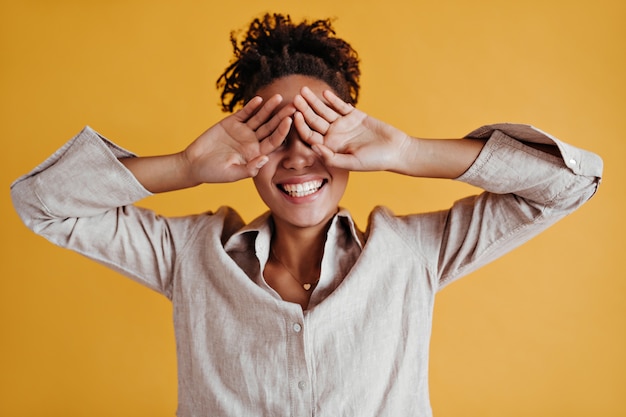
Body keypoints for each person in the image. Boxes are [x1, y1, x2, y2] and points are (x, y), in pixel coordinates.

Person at [11, 12, 602, 417]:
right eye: (274, 133)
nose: (297, 156)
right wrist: (186, 167)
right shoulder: (191, 257)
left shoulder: (411, 255)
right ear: (244, 146)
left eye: (316, 131)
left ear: (350, 139)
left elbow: (569, 184)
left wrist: (409, 152)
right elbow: (41, 202)